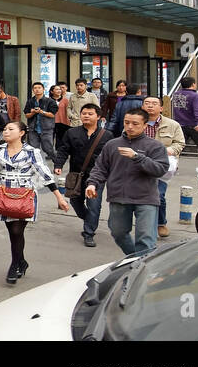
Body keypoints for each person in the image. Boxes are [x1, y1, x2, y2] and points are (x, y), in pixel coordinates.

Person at [0, 119, 69, 283]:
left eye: (10, 129)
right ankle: (22, 262)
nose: (6, 131)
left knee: (16, 231)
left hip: (24, 195)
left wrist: (59, 197)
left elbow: (45, 174)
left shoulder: (31, 151)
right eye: (5, 129)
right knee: (12, 232)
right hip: (4, 194)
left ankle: (14, 265)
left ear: (21, 133)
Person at [85, 108, 169, 259]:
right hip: (119, 196)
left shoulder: (155, 146)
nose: (130, 126)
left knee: (145, 238)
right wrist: (92, 183)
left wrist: (138, 157)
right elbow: (100, 168)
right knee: (118, 232)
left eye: (135, 123)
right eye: (127, 122)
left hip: (146, 198)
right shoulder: (112, 144)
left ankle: (143, 269)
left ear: (145, 125)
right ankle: (136, 259)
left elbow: (160, 169)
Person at [60, 102, 109, 247]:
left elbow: (110, 156)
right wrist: (58, 165)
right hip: (76, 174)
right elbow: (63, 149)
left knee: (94, 205)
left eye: (90, 114)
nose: (86, 116)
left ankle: (89, 233)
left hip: (97, 177)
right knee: (75, 201)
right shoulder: (72, 133)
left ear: (99, 117)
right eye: (84, 113)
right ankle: (90, 220)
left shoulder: (107, 135)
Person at [139, 96, 184, 239]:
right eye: (147, 103)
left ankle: (160, 223)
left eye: (154, 104)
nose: (150, 106)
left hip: (162, 165)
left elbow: (179, 143)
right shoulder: (136, 122)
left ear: (161, 108)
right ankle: (144, 224)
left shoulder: (172, 125)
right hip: (139, 163)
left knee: (159, 194)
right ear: (142, 106)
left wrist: (168, 151)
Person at [171, 76, 198, 165]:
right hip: (193, 125)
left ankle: (169, 163)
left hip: (180, 125)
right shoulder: (195, 96)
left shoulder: (176, 94)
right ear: (193, 84)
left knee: (178, 146)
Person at [23, 81, 58, 163]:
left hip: (46, 129)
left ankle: (57, 163)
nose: (37, 90)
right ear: (32, 90)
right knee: (33, 149)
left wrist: (42, 112)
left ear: (43, 89)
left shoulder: (50, 101)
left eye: (39, 88)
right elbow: (26, 115)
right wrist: (33, 112)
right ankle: (35, 166)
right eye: (35, 88)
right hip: (33, 129)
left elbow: (52, 115)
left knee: (48, 149)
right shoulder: (30, 101)